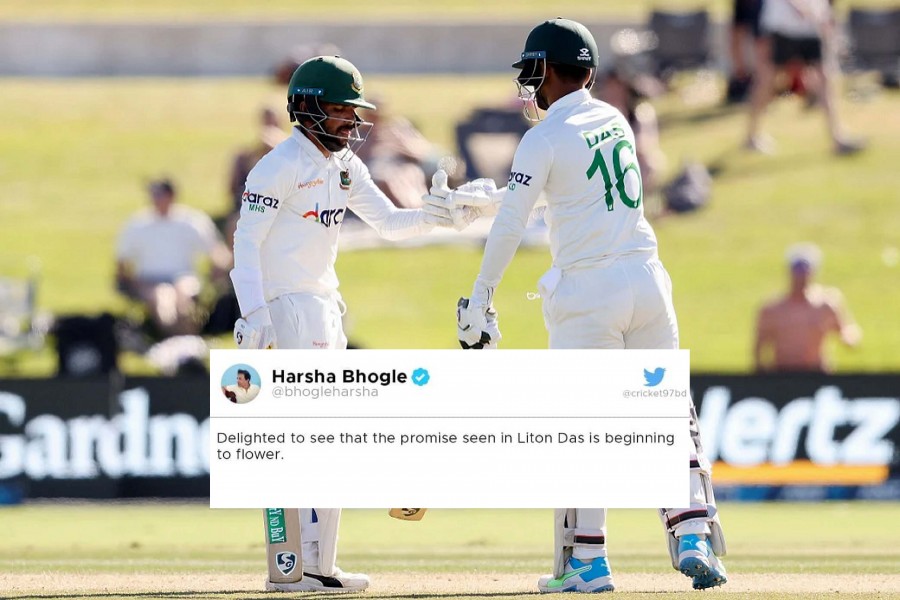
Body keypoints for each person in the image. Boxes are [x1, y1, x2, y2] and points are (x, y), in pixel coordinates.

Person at [431, 18, 728, 592]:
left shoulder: (542, 138)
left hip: (588, 292)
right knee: (665, 413)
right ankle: (692, 533)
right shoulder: (613, 120)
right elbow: (571, 193)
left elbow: (518, 220)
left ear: (546, 70)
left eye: (532, 72)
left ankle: (587, 561)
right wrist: (487, 201)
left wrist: (481, 296)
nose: (529, 85)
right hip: (647, 281)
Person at [228, 55, 456, 593]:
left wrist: (439, 215)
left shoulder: (345, 165)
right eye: (340, 110)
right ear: (307, 108)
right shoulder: (279, 166)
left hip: (325, 308)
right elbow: (245, 241)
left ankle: (319, 566)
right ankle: (293, 568)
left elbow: (390, 222)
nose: (351, 121)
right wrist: (254, 313)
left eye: (353, 111)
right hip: (285, 309)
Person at [116, 179, 231, 338]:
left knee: (184, 300)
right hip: (149, 280)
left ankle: (186, 339)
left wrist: (219, 268)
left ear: (171, 196)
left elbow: (215, 250)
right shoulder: (138, 223)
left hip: (184, 277)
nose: (156, 199)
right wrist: (131, 283)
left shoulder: (190, 220)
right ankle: (178, 339)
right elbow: (122, 262)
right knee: (164, 301)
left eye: (160, 195)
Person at [746, 0, 864, 155]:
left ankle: (837, 137)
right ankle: (751, 135)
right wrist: (799, 7)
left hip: (811, 28)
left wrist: (824, 16)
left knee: (824, 78)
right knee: (767, 80)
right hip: (783, 27)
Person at [754, 243, 861, 372]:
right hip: (783, 372)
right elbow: (759, 343)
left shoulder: (826, 303)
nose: (801, 279)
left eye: (804, 273)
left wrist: (849, 338)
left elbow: (846, 328)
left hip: (817, 372)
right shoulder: (773, 309)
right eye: (797, 273)